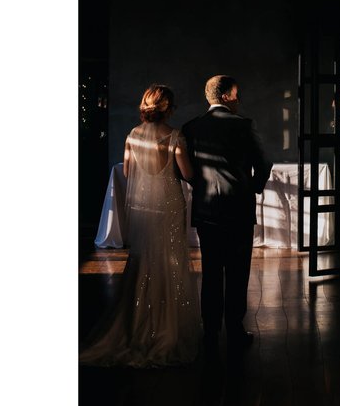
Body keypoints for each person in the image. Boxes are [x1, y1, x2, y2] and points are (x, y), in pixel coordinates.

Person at [79, 85, 201, 367]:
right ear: (168, 108)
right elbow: (187, 174)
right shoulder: (175, 136)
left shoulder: (133, 136)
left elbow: (128, 172)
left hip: (144, 206)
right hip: (170, 204)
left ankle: (139, 325)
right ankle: (168, 326)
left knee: (144, 259)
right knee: (170, 261)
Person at [182, 75, 272, 351]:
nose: (239, 98)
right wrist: (252, 188)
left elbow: (182, 169)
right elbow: (264, 163)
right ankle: (234, 328)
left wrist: (201, 185)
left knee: (211, 272)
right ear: (226, 97)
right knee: (237, 272)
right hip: (239, 211)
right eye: (237, 94)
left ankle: (210, 332)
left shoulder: (191, 127)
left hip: (208, 211)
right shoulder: (243, 125)